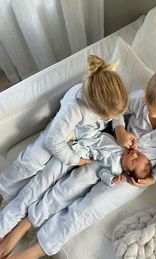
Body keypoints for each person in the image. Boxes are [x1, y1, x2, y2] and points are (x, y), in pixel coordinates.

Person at [3, 64, 156, 259]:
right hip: (113, 147)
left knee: (91, 207)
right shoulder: (140, 98)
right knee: (69, 186)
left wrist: (154, 178)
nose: (152, 114)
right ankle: (24, 224)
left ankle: (36, 250)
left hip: (138, 172)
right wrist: (120, 131)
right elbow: (119, 111)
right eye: (149, 107)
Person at [0, 133, 151, 258]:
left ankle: (28, 222)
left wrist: (111, 179)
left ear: (127, 171)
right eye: (138, 154)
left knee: (58, 197)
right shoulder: (117, 143)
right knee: (39, 185)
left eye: (134, 161)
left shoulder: (117, 169)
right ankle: (7, 226)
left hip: (80, 176)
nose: (134, 154)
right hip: (74, 153)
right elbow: (93, 136)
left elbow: (103, 173)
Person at [0, 55, 128, 203]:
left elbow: (118, 112)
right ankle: (3, 188)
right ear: (95, 109)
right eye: (108, 117)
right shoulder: (74, 108)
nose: (111, 119)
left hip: (88, 134)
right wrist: (75, 160)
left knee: (57, 177)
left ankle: (30, 197)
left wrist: (120, 128)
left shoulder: (112, 96)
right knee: (34, 159)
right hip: (68, 132)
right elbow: (53, 141)